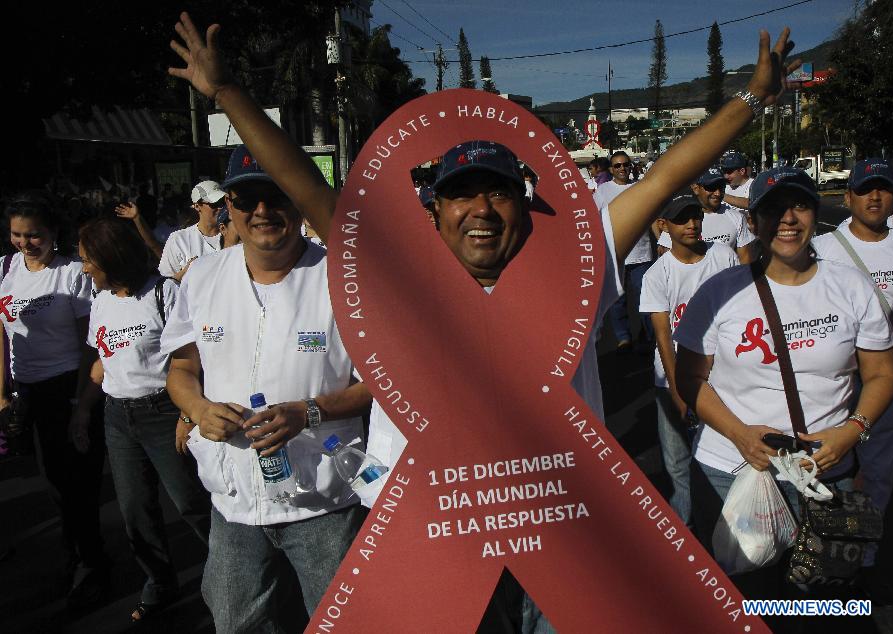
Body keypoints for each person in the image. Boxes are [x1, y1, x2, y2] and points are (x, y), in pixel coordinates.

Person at [169, 10, 800, 628]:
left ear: (523, 205)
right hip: (439, 532)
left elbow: (665, 176)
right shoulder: (399, 286)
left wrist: (752, 97)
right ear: (434, 210)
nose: (481, 209)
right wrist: (226, 91)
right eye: (461, 194)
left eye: (497, 191)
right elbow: (304, 183)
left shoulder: (576, 271)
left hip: (561, 527)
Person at [160, 144, 372, 632]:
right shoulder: (202, 277)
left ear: (297, 200)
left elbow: (381, 383)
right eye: (245, 198)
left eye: (275, 195)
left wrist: (309, 411)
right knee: (237, 622)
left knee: (341, 623)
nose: (261, 211)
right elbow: (182, 368)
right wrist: (196, 407)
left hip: (322, 497)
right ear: (227, 206)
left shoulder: (341, 276)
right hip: (232, 499)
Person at [674, 167, 893, 598]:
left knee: (822, 601)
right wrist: (740, 436)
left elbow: (882, 373)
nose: (788, 219)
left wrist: (852, 432)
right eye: (773, 209)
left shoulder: (850, 287)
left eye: (799, 205)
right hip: (732, 471)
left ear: (816, 214)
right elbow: (690, 378)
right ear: (754, 221)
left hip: (824, 474)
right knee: (747, 602)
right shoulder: (719, 292)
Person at [73, 216, 212, 622]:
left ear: (111, 258)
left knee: (190, 501)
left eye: (88, 260)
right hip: (118, 417)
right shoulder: (99, 300)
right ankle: (160, 582)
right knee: (135, 510)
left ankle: (230, 569)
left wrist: (188, 411)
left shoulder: (163, 293)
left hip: (164, 412)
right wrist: (82, 409)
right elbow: (102, 364)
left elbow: (193, 360)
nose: (83, 269)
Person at [0, 192, 109, 607]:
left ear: (53, 234)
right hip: (27, 392)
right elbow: (2, 334)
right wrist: (2, 394)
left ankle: (91, 565)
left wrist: (80, 401)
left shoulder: (70, 274)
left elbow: (89, 343)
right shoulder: (7, 269)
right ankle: (77, 557)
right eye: (17, 235)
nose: (25, 243)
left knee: (77, 483)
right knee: (54, 485)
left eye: (34, 236)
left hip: (67, 385)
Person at [639, 191, 739, 525]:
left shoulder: (723, 256)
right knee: (678, 464)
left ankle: (724, 531)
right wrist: (677, 388)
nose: (692, 224)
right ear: (664, 225)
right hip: (672, 380)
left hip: (723, 377)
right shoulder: (657, 274)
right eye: (682, 219)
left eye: (696, 216)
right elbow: (664, 337)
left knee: (723, 459)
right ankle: (687, 534)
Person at [812, 159, 893, 521]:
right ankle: (828, 542)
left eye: (883, 188)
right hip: (837, 377)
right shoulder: (822, 247)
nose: (874, 197)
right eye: (865, 190)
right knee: (830, 464)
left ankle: (865, 548)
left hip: (887, 374)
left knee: (879, 465)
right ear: (848, 197)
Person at [594, 150, 654, 351]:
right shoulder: (603, 191)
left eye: (625, 164)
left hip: (642, 254)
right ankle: (623, 338)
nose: (622, 168)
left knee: (645, 299)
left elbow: (652, 217)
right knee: (617, 301)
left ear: (631, 166)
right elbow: (595, 220)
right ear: (611, 169)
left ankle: (650, 335)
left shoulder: (641, 188)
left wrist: (663, 241)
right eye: (617, 165)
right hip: (614, 254)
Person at [657, 167, 755, 263]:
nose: (717, 193)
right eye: (711, 187)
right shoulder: (678, 219)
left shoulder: (737, 218)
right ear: (695, 188)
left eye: (721, 187)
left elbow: (745, 261)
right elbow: (667, 257)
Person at [157, 179, 224, 278]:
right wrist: (186, 272)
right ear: (197, 206)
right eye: (214, 204)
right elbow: (167, 282)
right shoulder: (178, 239)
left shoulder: (235, 235)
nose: (220, 208)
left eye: (222, 202)